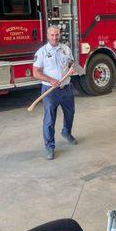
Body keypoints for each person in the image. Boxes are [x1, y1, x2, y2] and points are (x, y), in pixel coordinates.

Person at [33, 25, 77, 160]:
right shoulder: (41, 52)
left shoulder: (66, 49)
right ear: (47, 36)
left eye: (57, 35)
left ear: (60, 35)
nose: (55, 37)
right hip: (50, 91)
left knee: (70, 113)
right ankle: (50, 146)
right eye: (52, 35)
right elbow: (36, 73)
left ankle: (66, 132)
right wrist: (50, 80)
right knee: (49, 120)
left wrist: (72, 69)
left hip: (66, 88)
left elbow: (71, 64)